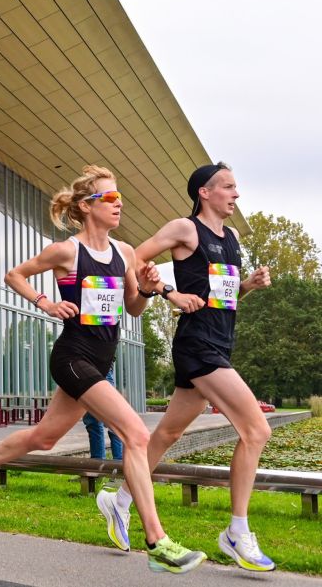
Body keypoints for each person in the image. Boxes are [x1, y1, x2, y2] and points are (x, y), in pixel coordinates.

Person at [0, 165, 206, 574]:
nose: (119, 203)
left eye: (119, 196)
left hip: (103, 358)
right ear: (87, 207)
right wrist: (45, 303)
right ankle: (157, 541)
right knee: (136, 433)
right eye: (109, 197)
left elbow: (133, 308)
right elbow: (13, 274)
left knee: (46, 437)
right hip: (72, 356)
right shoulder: (66, 251)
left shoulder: (124, 253)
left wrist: (150, 287)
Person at [103, 162, 275, 572]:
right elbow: (130, 257)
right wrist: (167, 291)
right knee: (256, 430)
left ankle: (120, 499)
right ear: (205, 192)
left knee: (169, 432)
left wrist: (246, 287)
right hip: (197, 347)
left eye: (237, 186)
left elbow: (221, 301)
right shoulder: (184, 228)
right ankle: (237, 531)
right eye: (228, 187)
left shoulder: (231, 238)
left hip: (218, 343)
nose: (236, 194)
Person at [82, 369, 123, 460]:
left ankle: (120, 464)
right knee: (92, 421)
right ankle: (97, 464)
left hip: (102, 369)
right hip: (84, 371)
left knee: (113, 422)